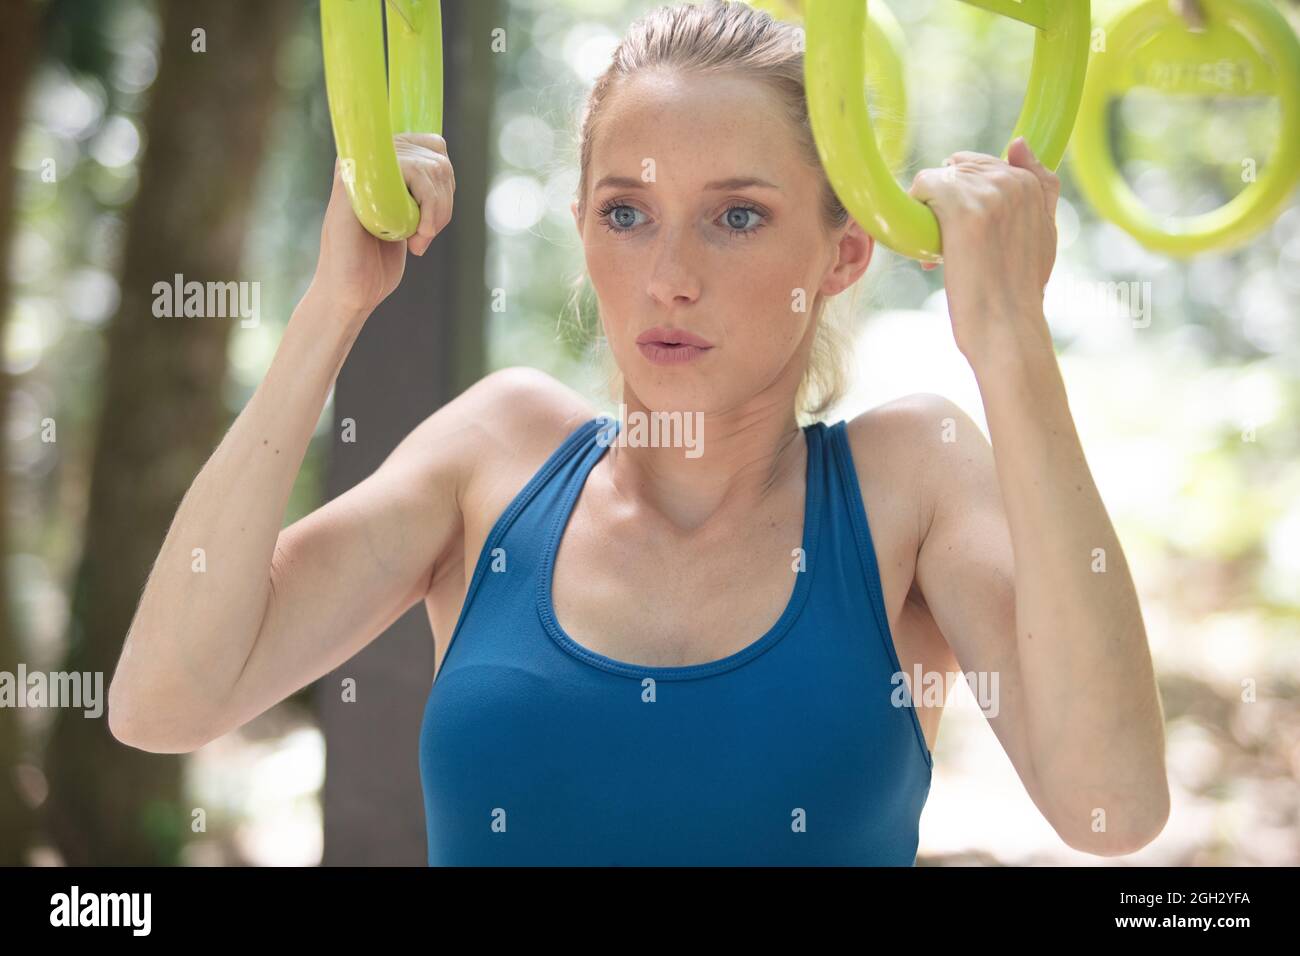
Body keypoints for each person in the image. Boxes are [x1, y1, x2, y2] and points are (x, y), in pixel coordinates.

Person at [108, 0, 1169, 865]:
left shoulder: (909, 478)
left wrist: (1010, 341)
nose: (669, 276)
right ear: (580, 229)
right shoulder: (496, 449)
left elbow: (1109, 806)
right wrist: (332, 307)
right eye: (625, 212)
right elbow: (164, 701)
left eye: (737, 214)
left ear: (841, 255)